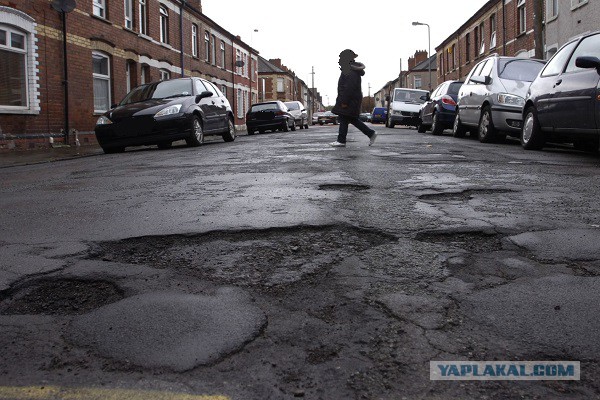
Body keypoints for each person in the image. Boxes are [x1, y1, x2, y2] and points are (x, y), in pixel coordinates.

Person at [329, 49, 377, 147]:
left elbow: (349, 87)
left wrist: (344, 101)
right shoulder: (351, 70)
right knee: (349, 119)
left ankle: (341, 141)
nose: (340, 60)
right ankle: (370, 133)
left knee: (345, 118)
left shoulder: (349, 71)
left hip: (349, 101)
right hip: (352, 100)